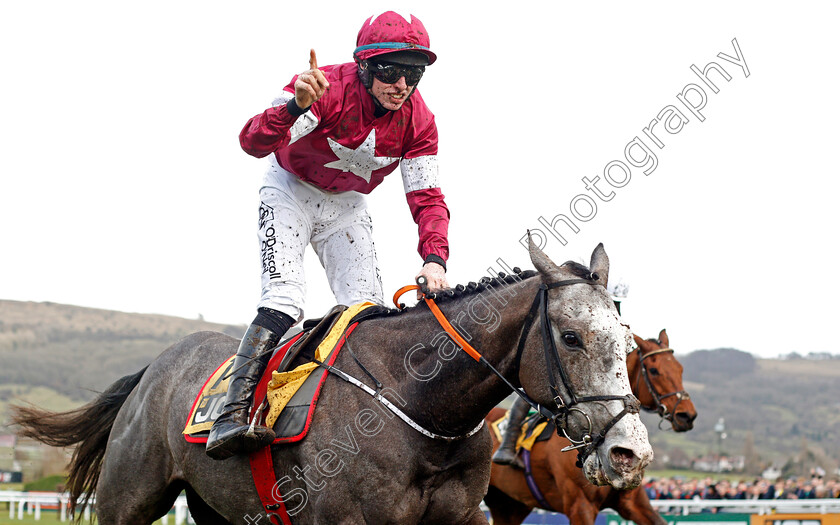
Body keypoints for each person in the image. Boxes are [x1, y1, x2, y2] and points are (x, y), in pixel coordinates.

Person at [206, 11, 451, 460]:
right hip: (289, 191)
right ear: (364, 66)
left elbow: (428, 197)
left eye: (413, 73)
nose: (402, 84)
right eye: (391, 71)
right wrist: (295, 106)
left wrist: (435, 257)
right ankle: (230, 415)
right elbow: (252, 143)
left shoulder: (421, 122)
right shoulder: (325, 90)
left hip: (347, 208)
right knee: (285, 298)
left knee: (368, 314)